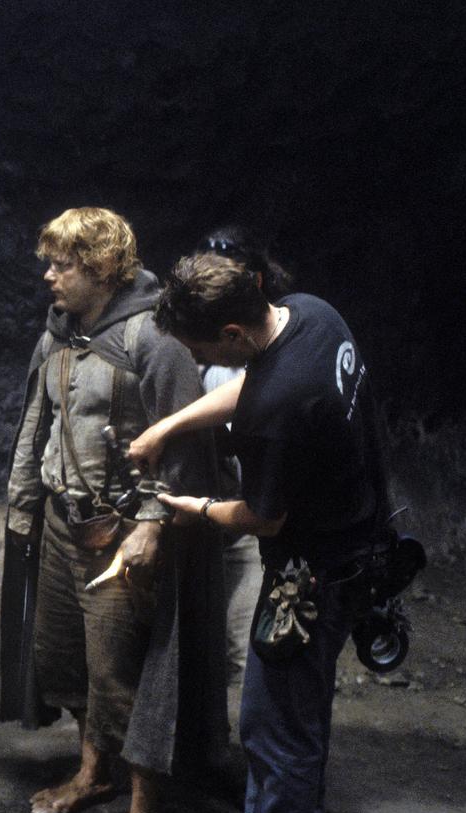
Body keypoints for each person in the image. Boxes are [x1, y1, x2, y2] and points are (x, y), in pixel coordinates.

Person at [129, 252, 390, 813]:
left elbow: (262, 517)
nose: (197, 364)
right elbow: (260, 381)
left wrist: (197, 507)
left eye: (202, 352)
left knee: (272, 736)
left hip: (313, 572)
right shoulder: (310, 314)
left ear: (233, 334)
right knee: (303, 714)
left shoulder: (277, 415)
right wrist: (170, 424)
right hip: (363, 532)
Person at [0, 207, 225, 813]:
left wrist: (153, 526)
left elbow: (187, 442)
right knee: (65, 659)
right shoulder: (60, 334)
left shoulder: (155, 340)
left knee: (124, 674)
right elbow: (36, 419)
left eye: (61, 263)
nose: (49, 276)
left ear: (98, 267)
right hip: (63, 523)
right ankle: (93, 770)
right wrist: (22, 505)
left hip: (123, 533)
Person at [194, 227, 293, 689]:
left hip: (253, 514)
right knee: (202, 642)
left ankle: (247, 749)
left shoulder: (275, 353)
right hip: (205, 510)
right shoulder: (199, 355)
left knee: (245, 644)